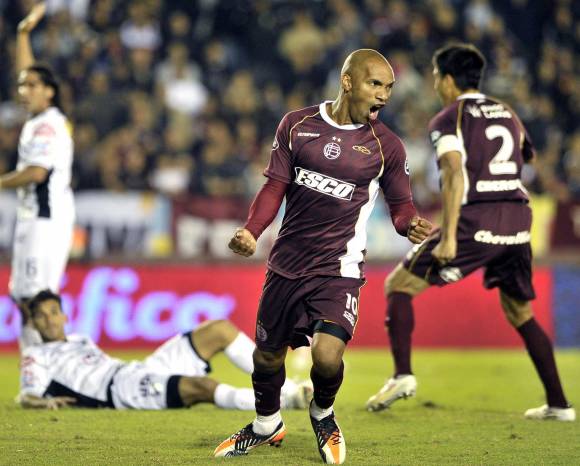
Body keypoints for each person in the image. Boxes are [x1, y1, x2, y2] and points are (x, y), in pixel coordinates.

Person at [214, 49, 432, 463]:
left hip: (339, 268)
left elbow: (402, 206)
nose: (384, 95)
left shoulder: (387, 146)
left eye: (389, 87)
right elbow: (274, 187)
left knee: (328, 356)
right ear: (347, 81)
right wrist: (251, 231)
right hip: (286, 264)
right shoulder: (297, 125)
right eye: (375, 84)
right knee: (266, 356)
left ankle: (323, 413)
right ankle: (266, 424)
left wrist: (410, 226)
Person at [366, 43, 575, 422]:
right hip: (517, 222)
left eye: (435, 77)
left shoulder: (449, 118)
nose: (434, 85)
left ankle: (402, 375)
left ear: (448, 79)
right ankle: (559, 404)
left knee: (398, 285)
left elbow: (452, 171)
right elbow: (528, 155)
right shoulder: (507, 112)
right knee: (520, 311)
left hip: (477, 220)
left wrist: (448, 237)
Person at [18, 290, 312, 411]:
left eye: (53, 312)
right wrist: (41, 403)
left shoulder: (80, 339)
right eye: (41, 316)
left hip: (138, 368)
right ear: (33, 323)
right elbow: (27, 395)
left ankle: (291, 388)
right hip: (121, 391)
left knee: (219, 329)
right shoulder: (36, 355)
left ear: (64, 315)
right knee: (202, 387)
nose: (49, 320)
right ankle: (286, 402)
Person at [1, 3, 75, 350]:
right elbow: (26, 73)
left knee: (38, 299)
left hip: (45, 220)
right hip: (34, 216)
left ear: (49, 90)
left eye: (32, 86)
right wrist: (23, 35)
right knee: (25, 296)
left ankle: (49, 368)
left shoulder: (48, 125)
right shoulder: (38, 120)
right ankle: (37, 368)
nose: (24, 90)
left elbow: (36, 172)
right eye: (22, 86)